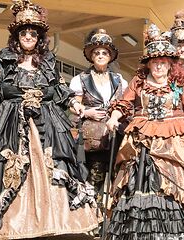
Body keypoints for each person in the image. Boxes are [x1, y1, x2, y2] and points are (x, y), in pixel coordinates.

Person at [0, 0, 99, 238]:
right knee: (10, 168)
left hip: (46, 123)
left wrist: (77, 105)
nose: (28, 36)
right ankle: (12, 224)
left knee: (54, 166)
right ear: (16, 36)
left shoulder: (47, 61)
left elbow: (60, 89)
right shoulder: (5, 59)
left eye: (33, 33)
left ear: (39, 37)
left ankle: (53, 221)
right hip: (11, 121)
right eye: (24, 32)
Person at [105, 24, 184, 239]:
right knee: (135, 181)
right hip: (142, 139)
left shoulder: (180, 82)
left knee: (176, 184)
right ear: (149, 64)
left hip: (173, 141)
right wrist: (114, 118)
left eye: (163, 62)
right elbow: (124, 103)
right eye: (155, 62)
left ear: (170, 64)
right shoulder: (139, 82)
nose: (159, 66)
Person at [68, 28, 128, 209]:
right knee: (95, 177)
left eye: (104, 53)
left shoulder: (119, 80)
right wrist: (87, 112)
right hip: (93, 138)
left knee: (117, 177)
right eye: (97, 53)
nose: (101, 56)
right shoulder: (81, 79)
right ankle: (94, 216)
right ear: (91, 56)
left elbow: (126, 105)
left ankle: (114, 216)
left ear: (110, 56)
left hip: (116, 134)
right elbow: (72, 106)